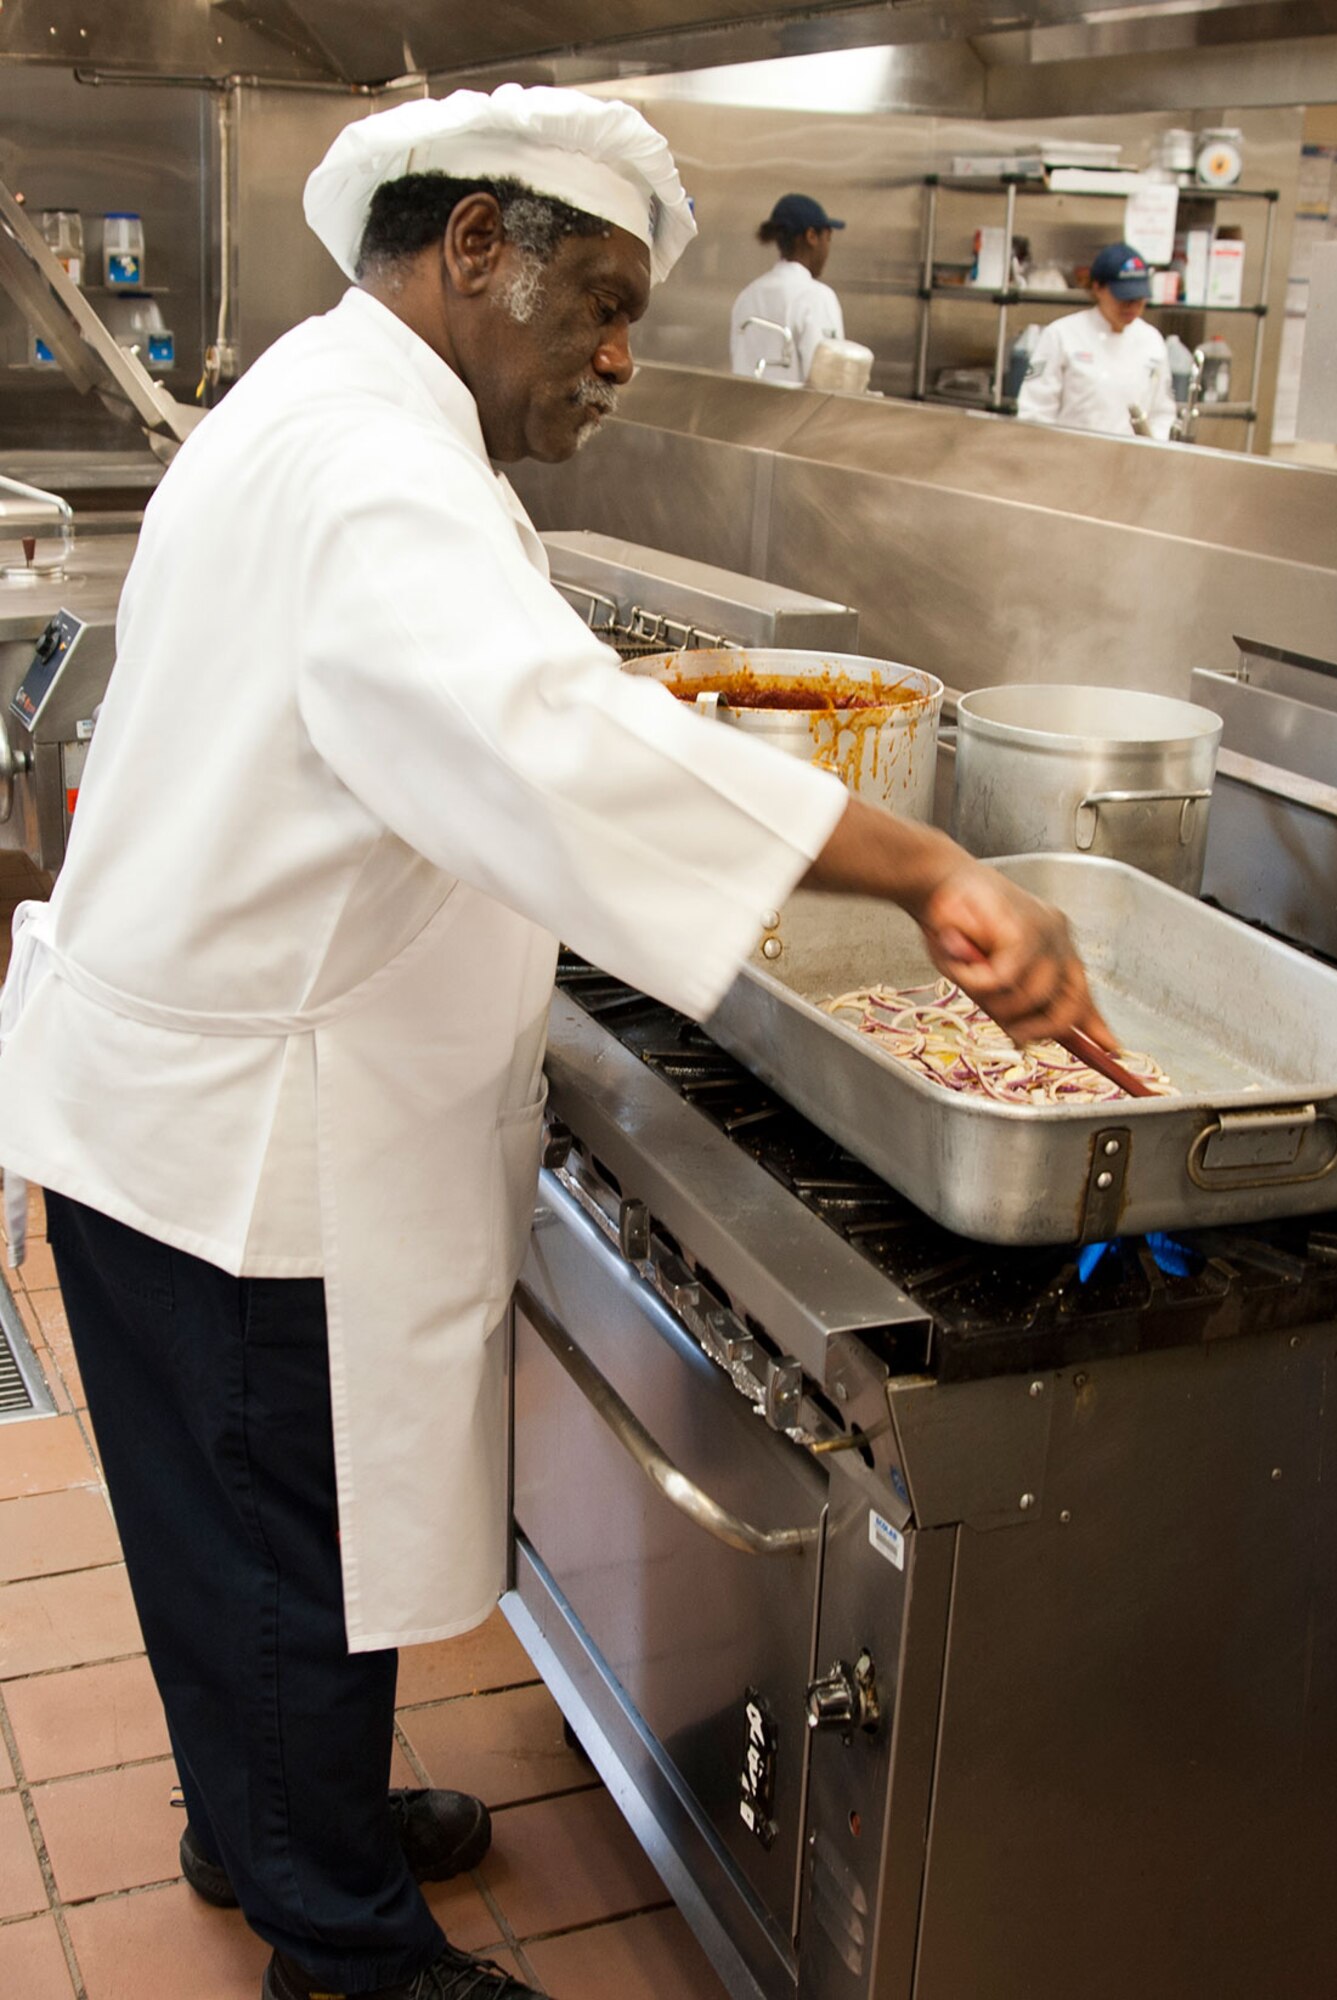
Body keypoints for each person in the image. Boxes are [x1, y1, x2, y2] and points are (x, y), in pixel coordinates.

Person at [0, 85, 1110, 2000]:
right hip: (248, 1143)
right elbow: (548, 744)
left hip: (200, 1102)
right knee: (279, 1542)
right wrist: (918, 860)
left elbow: (495, 707)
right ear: (473, 253)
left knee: (244, 1541)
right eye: (594, 302)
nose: (613, 357)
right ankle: (341, 1949)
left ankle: (271, 1818)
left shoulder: (339, 410)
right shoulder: (370, 470)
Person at [1016, 241, 1177, 441]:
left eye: (1138, 299)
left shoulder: (1152, 341)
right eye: (1124, 298)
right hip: (1072, 461)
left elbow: (1163, 414)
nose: (1132, 307)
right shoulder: (1062, 335)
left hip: (1130, 464)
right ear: (1098, 288)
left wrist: (1153, 452)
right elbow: (1035, 412)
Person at [729, 192, 845, 384]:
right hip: (799, 413)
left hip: (745, 410)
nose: (828, 247)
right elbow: (831, 382)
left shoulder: (747, 295)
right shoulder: (817, 297)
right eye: (828, 237)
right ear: (811, 236)